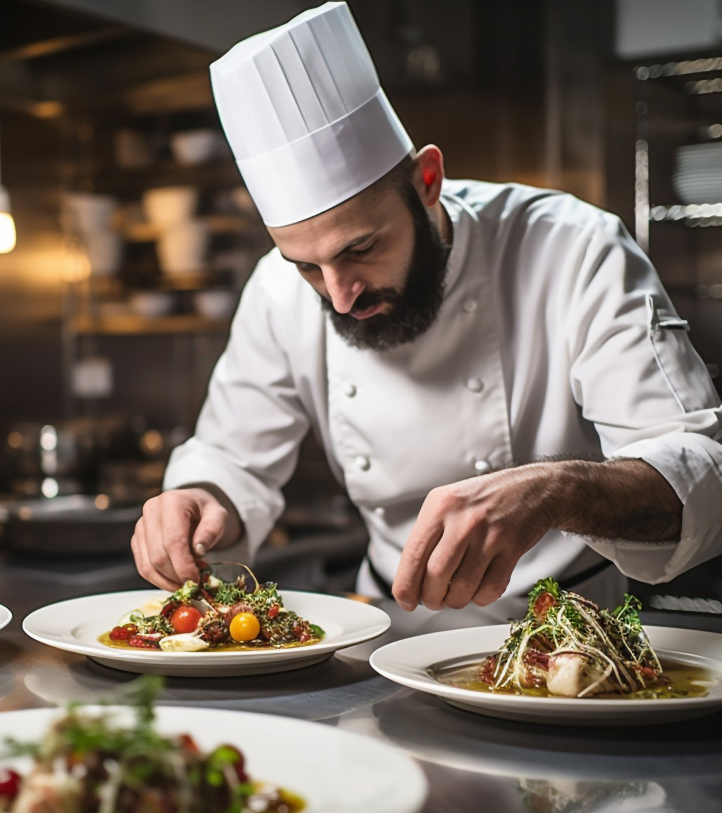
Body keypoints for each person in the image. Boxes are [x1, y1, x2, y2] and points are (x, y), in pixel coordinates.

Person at [131, 1, 722, 613]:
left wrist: (559, 489)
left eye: (360, 249)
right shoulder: (275, 290)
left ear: (427, 182)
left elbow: (700, 471)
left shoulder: (575, 247)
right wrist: (200, 501)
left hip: (567, 620)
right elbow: (233, 460)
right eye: (306, 265)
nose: (340, 295)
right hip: (384, 617)